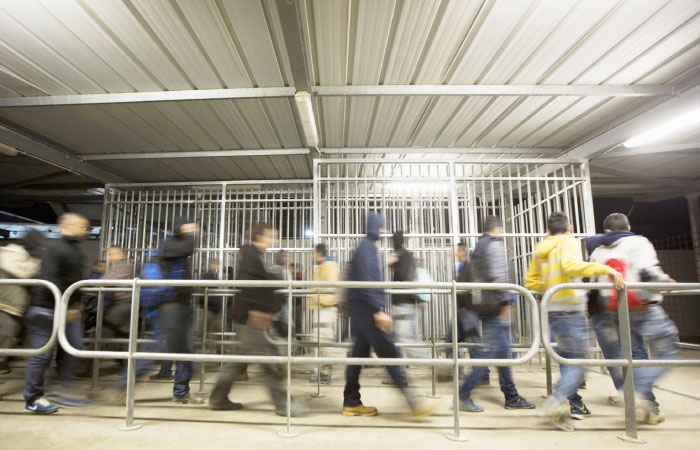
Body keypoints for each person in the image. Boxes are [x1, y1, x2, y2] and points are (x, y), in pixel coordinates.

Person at [526, 212, 624, 431]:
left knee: (568, 359)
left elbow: (530, 281)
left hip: (551, 309)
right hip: (571, 308)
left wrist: (550, 289)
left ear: (548, 230)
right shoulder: (568, 242)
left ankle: (567, 404)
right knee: (578, 363)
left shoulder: (540, 248)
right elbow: (571, 266)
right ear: (569, 228)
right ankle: (557, 400)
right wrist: (606, 269)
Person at [342, 211, 440, 419]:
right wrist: (378, 310)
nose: (384, 232)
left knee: (357, 357)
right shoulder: (367, 248)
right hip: (369, 311)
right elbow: (368, 281)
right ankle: (413, 402)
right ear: (376, 228)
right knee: (391, 353)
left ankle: (351, 402)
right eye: (382, 227)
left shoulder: (364, 247)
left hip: (360, 310)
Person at [589, 213, 678, 425]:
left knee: (633, 356)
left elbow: (593, 284)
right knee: (669, 350)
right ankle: (636, 390)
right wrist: (667, 281)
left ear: (607, 231)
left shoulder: (598, 251)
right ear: (628, 227)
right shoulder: (638, 242)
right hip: (643, 308)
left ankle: (651, 407)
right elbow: (649, 272)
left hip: (616, 310)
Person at [210, 222, 305, 416]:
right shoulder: (251, 255)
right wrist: (258, 312)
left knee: (238, 361)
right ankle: (282, 403)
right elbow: (250, 286)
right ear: (259, 236)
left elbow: (258, 283)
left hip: (250, 317)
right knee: (265, 362)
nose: (274, 240)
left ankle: (218, 399)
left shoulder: (255, 256)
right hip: (250, 318)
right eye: (271, 236)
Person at [109, 216, 204, 405]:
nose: (194, 229)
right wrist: (191, 233)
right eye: (189, 226)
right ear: (180, 228)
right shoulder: (169, 244)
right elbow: (189, 247)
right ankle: (123, 384)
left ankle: (181, 392)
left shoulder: (177, 247)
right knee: (160, 346)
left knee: (185, 349)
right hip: (170, 306)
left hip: (182, 305)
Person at [457, 216, 534, 412]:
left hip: (483, 305)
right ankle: (463, 394)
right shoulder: (494, 246)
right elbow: (499, 276)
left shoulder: (478, 247)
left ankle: (512, 396)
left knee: (501, 351)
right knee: (491, 352)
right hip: (496, 307)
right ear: (497, 228)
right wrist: (507, 302)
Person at [23, 213, 92, 413]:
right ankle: (33, 398)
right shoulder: (54, 247)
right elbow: (52, 279)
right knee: (42, 354)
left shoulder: (75, 248)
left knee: (74, 347)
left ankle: (61, 389)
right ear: (67, 226)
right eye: (83, 227)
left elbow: (74, 280)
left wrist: (77, 303)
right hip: (47, 308)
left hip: (65, 308)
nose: (86, 231)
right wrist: (67, 306)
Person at [584, 231, 649, 405]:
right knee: (636, 350)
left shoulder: (594, 258)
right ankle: (643, 392)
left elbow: (586, 284)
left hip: (600, 311)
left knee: (614, 353)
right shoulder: (628, 251)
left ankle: (626, 392)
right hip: (627, 308)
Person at [439, 242, 490, 385]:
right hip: (461, 311)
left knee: (474, 344)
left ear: (463, 252)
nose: (455, 253)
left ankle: (483, 374)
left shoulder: (469, 266)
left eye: (457, 251)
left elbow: (473, 290)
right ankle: (452, 370)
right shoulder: (461, 267)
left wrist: (470, 307)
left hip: (467, 312)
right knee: (450, 341)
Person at [0, 229, 44, 374]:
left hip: (14, 304)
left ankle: (4, 360)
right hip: (5, 303)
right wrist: (37, 260)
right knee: (7, 331)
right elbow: (24, 273)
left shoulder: (23, 256)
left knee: (12, 333)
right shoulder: (12, 254)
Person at [386, 231, 420, 384]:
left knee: (403, 340)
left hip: (403, 303)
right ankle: (399, 374)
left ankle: (431, 361)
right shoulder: (404, 254)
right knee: (397, 340)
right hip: (403, 303)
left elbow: (404, 277)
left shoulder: (402, 255)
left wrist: (392, 263)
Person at [308, 243, 340, 385]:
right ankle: (324, 372)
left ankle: (327, 373)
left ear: (319, 253)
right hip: (321, 307)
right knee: (320, 341)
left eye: (313, 253)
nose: (311, 256)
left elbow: (332, 289)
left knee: (325, 342)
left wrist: (317, 297)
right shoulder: (323, 266)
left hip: (326, 308)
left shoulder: (328, 266)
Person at [102, 246, 133, 337]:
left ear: (121, 254)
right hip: (125, 302)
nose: (107, 258)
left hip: (123, 301)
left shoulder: (123, 266)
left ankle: (97, 350)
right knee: (122, 331)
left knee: (106, 329)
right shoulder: (121, 265)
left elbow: (105, 281)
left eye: (110, 254)